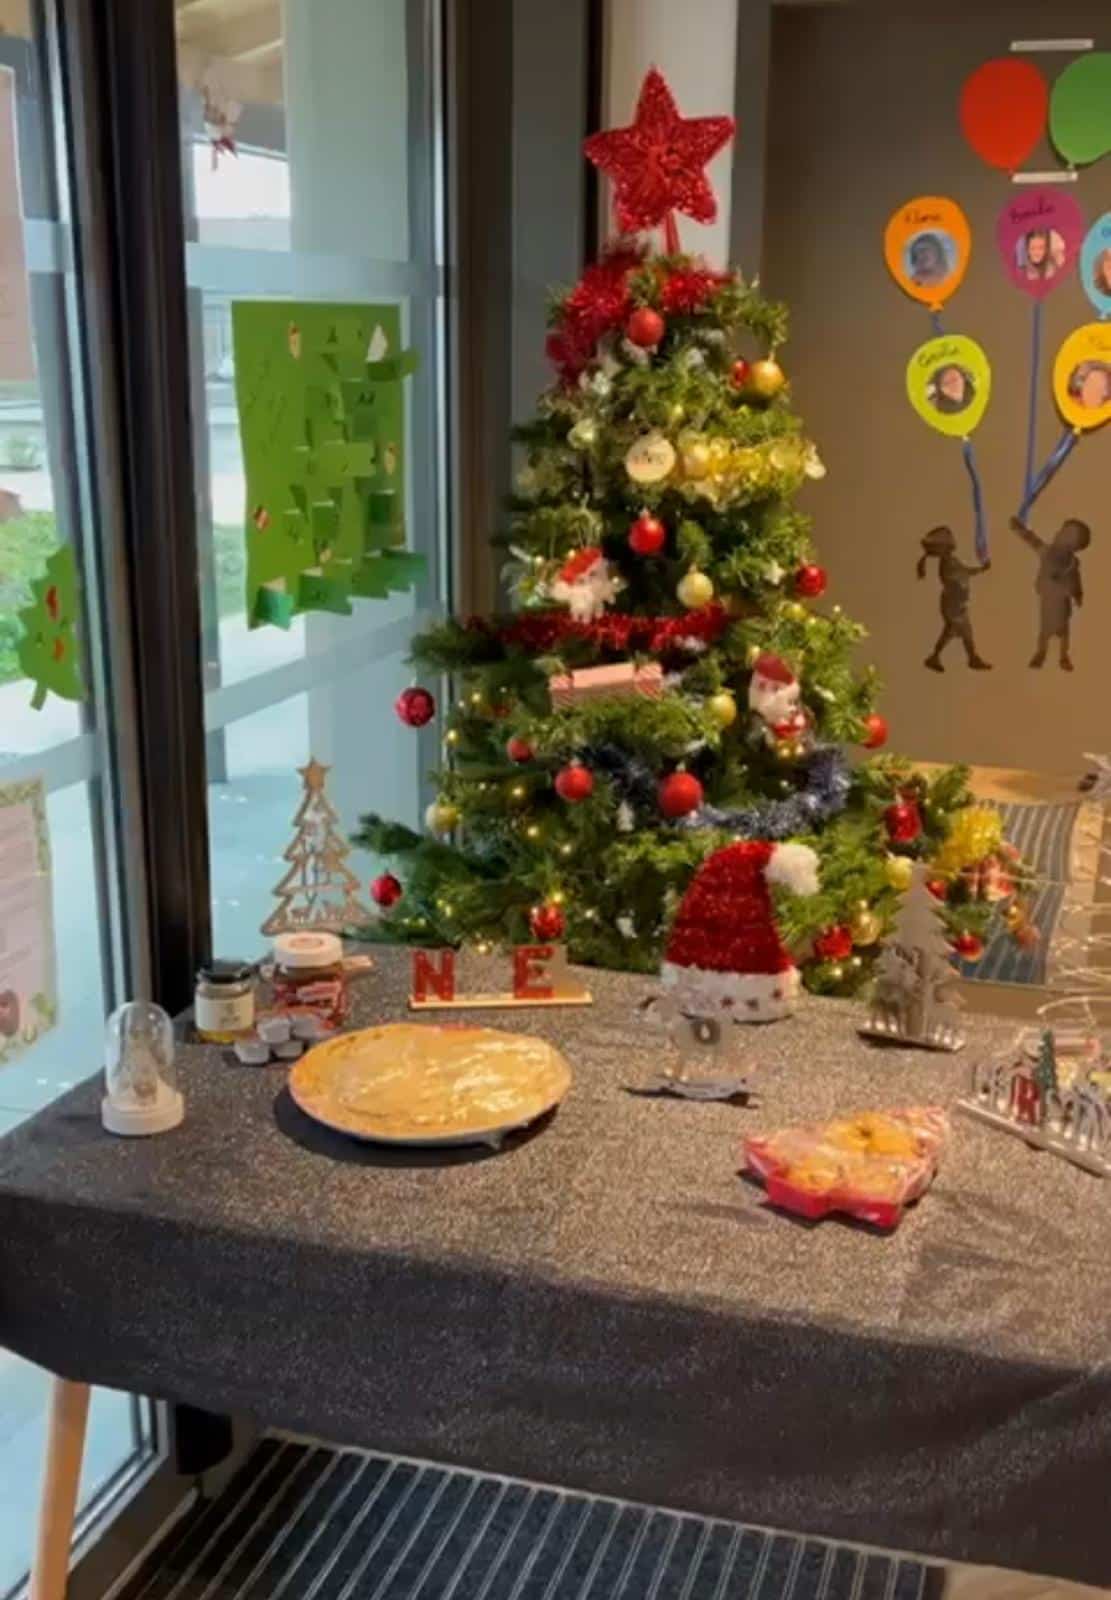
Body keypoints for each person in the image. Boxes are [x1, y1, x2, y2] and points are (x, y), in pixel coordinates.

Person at [1011, 513, 1091, 671]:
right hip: (1048, 600)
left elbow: (1076, 580)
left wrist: (1078, 594)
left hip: (1062, 602)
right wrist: (1019, 528)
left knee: (1063, 633)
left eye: (1068, 535)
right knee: (1045, 631)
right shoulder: (1047, 552)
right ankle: (1041, 653)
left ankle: (1063, 656)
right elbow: (1032, 540)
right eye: (1063, 531)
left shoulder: (1072, 563)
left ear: (1075, 546)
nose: (1060, 534)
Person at [918, 526, 991, 671]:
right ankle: (941, 657)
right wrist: (980, 569)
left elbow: (966, 572)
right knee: (954, 630)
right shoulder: (947, 564)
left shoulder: (951, 561)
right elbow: (961, 575)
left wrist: (981, 569)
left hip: (957, 604)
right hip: (953, 605)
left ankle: (969, 658)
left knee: (963, 632)